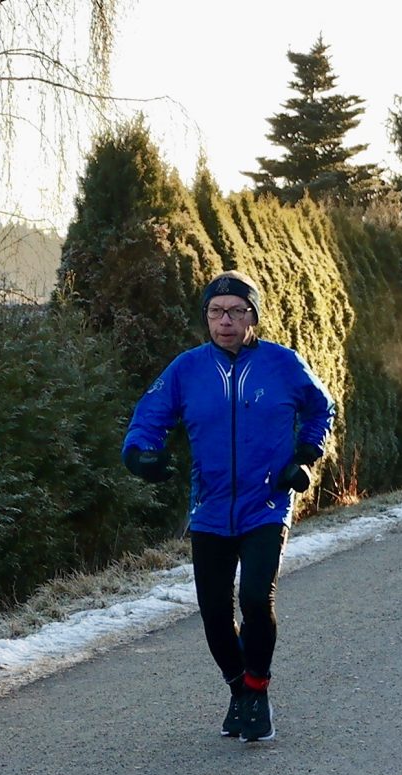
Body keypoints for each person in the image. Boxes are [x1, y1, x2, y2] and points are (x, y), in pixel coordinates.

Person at [122, 270, 335, 743]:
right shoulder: (187, 369)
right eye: (217, 312)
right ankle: (239, 688)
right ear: (206, 318)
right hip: (212, 508)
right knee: (215, 610)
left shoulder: (282, 364)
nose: (226, 321)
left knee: (257, 598)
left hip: (266, 503)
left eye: (237, 311)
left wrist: (305, 452)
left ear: (253, 317)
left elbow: (323, 408)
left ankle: (257, 693)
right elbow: (148, 419)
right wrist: (140, 455)